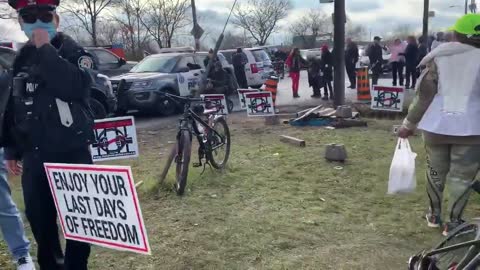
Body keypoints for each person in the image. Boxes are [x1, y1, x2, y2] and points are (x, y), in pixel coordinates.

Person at [4, 0, 96, 268]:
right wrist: (11, 148)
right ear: (20, 23)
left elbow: (73, 87)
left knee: (78, 222)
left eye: (45, 15)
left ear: (57, 21)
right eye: (29, 16)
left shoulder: (74, 53)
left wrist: (45, 48)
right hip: (34, 157)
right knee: (41, 221)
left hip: (72, 154)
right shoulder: (22, 57)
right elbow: (13, 104)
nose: (38, 21)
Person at [398, 14, 480, 236]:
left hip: (436, 125)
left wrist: (408, 124)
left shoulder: (439, 57)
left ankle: (434, 215)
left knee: (435, 171)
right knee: (462, 177)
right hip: (473, 128)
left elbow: (424, 95)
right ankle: (453, 223)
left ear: (458, 34)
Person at [0, 70, 35, 270]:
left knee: (3, 205)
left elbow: (11, 115)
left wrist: (12, 150)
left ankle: (21, 254)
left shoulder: (6, 79)